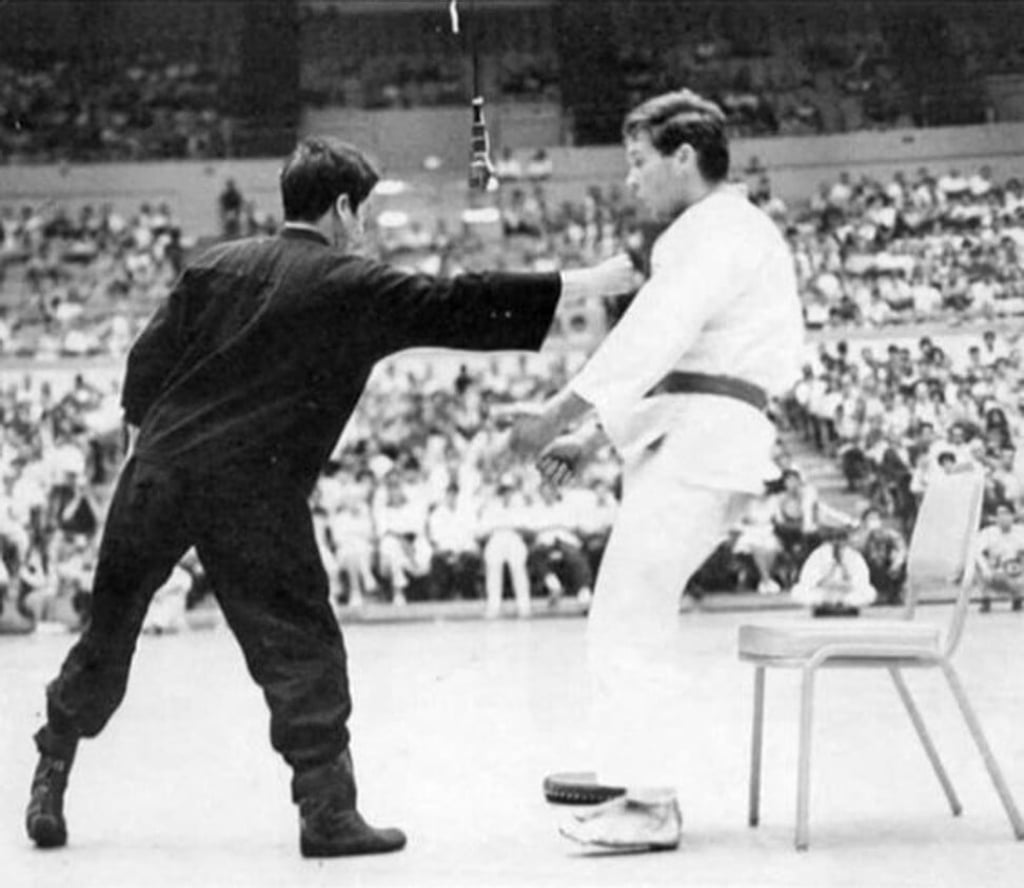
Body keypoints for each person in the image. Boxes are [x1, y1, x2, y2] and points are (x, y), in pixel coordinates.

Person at [24, 136, 634, 857]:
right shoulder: (353, 284)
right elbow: (460, 301)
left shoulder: (214, 265)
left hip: (157, 470)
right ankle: (326, 813)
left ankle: (51, 774)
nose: (367, 228)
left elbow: (143, 366)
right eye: (365, 212)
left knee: (109, 633)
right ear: (343, 206)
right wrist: (593, 280)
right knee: (299, 645)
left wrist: (148, 461)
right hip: (251, 489)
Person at [509, 90, 804, 851]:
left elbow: (654, 340)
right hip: (696, 430)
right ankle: (631, 770)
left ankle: (649, 801)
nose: (630, 180)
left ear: (683, 158)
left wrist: (557, 416)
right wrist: (596, 435)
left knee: (630, 611)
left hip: (707, 439)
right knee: (629, 608)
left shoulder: (714, 231)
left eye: (639, 163)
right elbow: (684, 365)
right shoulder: (718, 233)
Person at [790, 527, 877, 616]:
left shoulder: (854, 555)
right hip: (824, 593)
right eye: (835, 539)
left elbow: (862, 580)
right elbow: (808, 578)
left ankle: (842, 606)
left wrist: (844, 570)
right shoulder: (819, 554)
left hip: (846, 594)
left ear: (846, 540)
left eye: (842, 539)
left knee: (870, 592)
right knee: (798, 591)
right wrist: (830, 572)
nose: (838, 542)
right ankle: (826, 606)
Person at [973, 501, 1024, 613]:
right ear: (995, 517)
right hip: (994, 574)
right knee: (975, 563)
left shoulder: (1021, 532)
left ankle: (1018, 598)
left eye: (1006, 513)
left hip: (1016, 575)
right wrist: (985, 568)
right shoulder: (988, 533)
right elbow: (976, 552)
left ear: (1013, 516)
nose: (1003, 517)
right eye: (1000, 514)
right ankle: (985, 599)